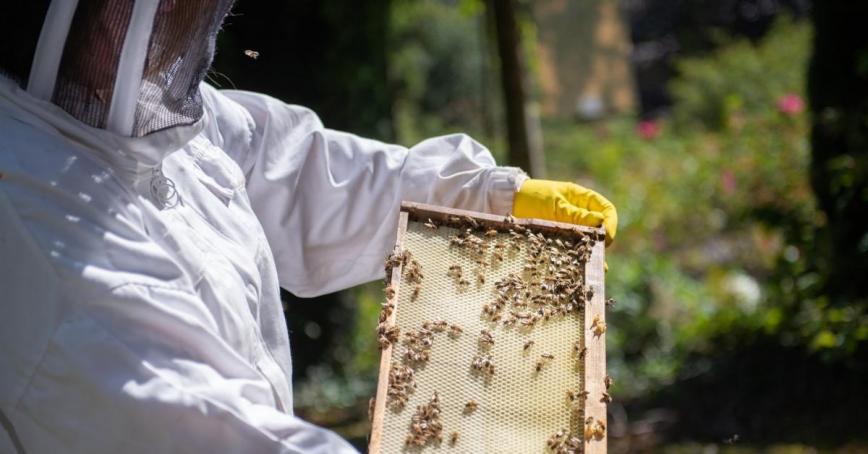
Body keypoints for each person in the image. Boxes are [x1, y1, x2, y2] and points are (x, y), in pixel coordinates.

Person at [0, 1, 617, 453]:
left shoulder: (142, 122)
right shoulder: (39, 225)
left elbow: (289, 171)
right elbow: (211, 433)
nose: (190, 20)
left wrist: (482, 198)